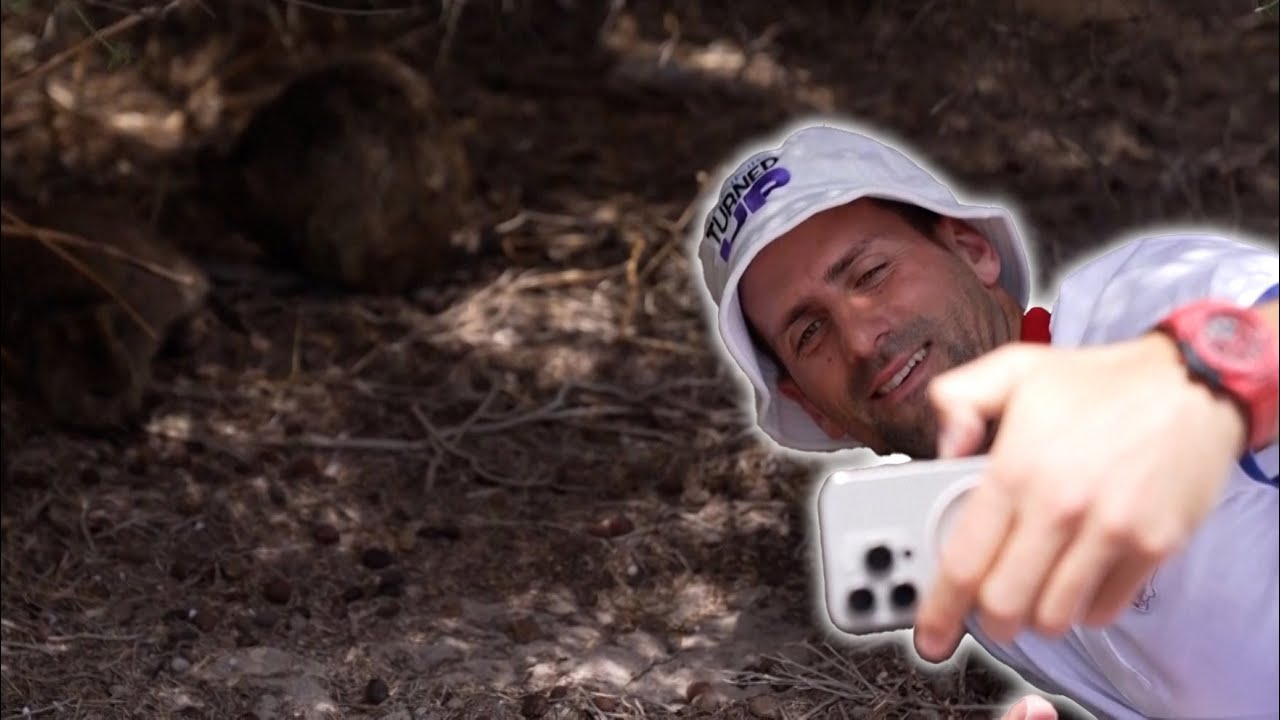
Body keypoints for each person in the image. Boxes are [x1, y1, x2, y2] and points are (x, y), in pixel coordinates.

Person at [690, 121, 1279, 720]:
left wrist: (1201, 368)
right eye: (810, 332)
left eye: (871, 273)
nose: (862, 339)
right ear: (811, 404)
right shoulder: (974, 577)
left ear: (972, 250)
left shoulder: (1141, 309)